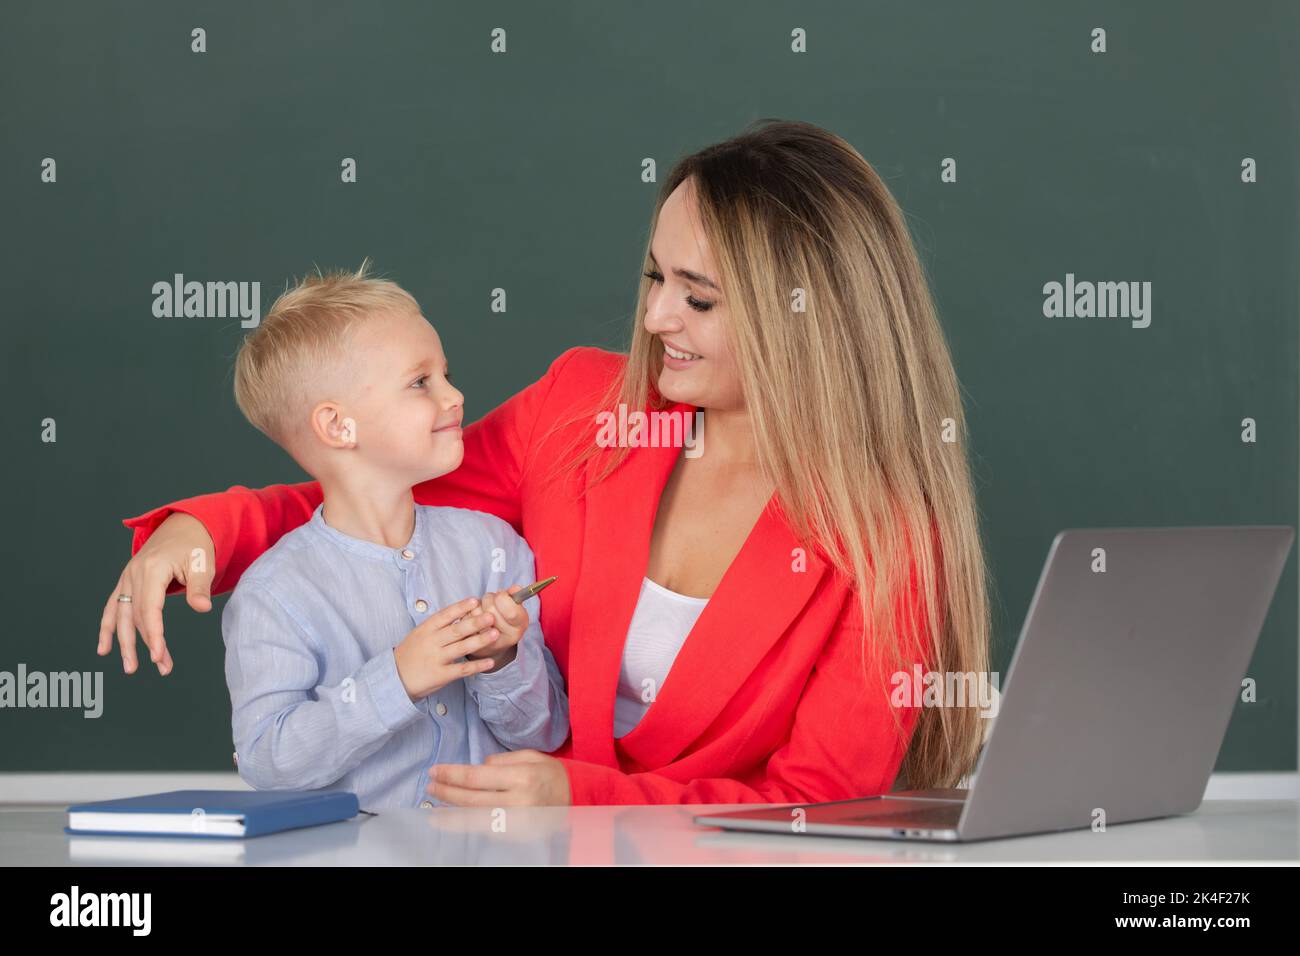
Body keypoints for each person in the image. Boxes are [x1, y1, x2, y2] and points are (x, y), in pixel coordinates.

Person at [100, 119, 992, 806]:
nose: (654, 321)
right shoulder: (580, 407)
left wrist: (587, 797)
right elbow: (373, 494)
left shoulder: (885, 540)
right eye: (654, 279)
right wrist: (206, 528)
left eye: (699, 297)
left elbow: (813, 805)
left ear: (807, 315)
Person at [219, 263, 568, 808]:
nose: (454, 396)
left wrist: (504, 661)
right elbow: (268, 761)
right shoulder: (274, 593)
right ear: (338, 426)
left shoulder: (492, 549)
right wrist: (397, 678)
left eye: (446, 375)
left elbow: (544, 735)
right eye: (421, 382)